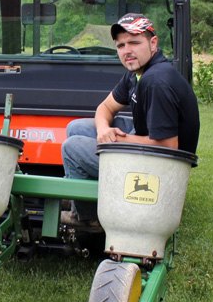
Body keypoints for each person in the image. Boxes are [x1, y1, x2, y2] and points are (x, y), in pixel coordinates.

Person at [60, 13, 200, 227]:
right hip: (146, 143)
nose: (127, 51)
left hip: (163, 167)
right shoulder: (137, 72)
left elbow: (168, 146)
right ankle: (83, 193)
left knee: (73, 147)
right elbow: (105, 107)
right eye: (121, 45)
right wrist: (104, 130)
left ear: (153, 43)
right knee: (75, 127)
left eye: (134, 42)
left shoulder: (157, 82)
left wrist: (120, 140)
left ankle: (88, 219)